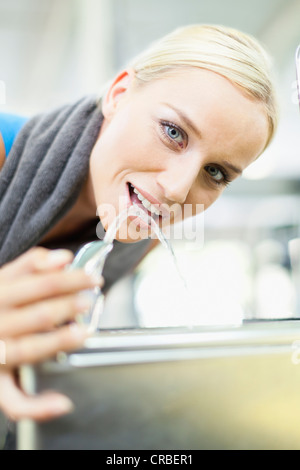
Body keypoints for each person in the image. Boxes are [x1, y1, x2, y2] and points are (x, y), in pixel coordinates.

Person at [0, 24, 278, 435]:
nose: (178, 189)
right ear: (118, 94)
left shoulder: (137, 240)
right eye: (173, 132)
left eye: (215, 172)